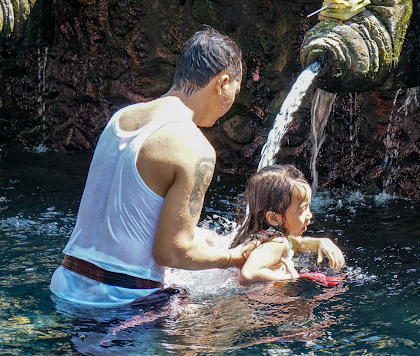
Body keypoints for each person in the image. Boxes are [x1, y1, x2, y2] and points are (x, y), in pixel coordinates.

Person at [49, 26, 344, 307]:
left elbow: (134, 222)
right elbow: (172, 252)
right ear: (223, 83)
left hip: (66, 282)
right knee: (250, 312)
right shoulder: (194, 147)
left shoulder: (122, 118)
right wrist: (236, 257)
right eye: (235, 92)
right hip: (123, 300)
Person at [231, 164, 345, 285]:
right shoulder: (278, 243)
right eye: (301, 210)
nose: (309, 215)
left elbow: (298, 244)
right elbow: (249, 274)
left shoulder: (256, 231)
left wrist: (322, 242)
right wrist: (289, 276)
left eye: (308, 207)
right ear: (274, 218)